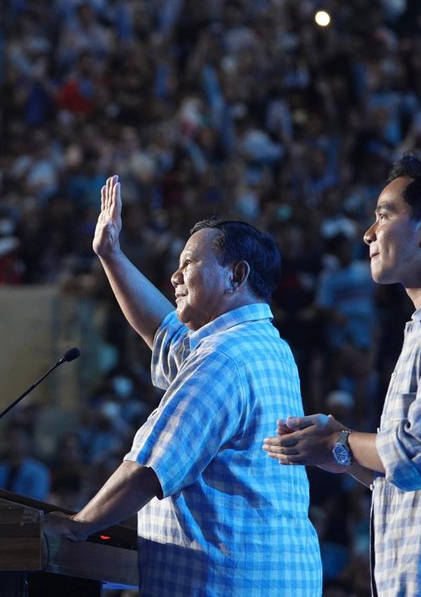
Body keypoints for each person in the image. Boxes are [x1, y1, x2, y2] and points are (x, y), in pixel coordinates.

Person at [43, 175, 320, 596]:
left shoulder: (224, 358)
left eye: (188, 264)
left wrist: (78, 526)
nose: (174, 276)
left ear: (236, 275)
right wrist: (111, 254)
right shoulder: (261, 344)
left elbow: (147, 470)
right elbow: (162, 331)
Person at [263, 150, 421, 595]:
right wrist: (340, 455)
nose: (368, 234)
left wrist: (341, 441)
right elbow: (412, 477)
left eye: (384, 216)